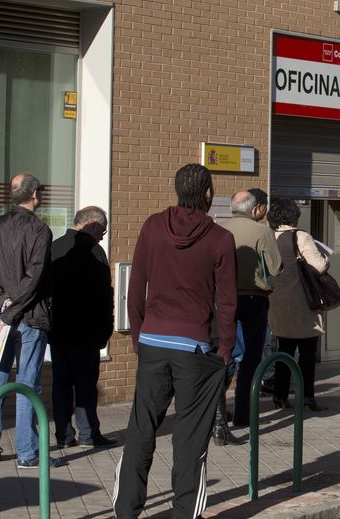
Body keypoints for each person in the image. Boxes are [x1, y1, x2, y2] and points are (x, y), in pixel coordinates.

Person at [113, 164, 237, 519]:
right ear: (208, 194)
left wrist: (139, 338)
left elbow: (135, 288)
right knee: (190, 438)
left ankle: (126, 511)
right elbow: (227, 302)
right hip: (194, 349)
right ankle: (184, 513)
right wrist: (225, 350)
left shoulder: (153, 226)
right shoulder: (220, 239)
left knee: (141, 430)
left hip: (152, 341)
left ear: (177, 189)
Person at [0, 173, 55, 469]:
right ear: (35, 194)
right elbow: (35, 280)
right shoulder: (39, 230)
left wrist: (1, 304)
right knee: (27, 385)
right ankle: (27, 453)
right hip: (28, 318)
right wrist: (12, 309)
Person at [49, 206, 116, 449]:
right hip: (86, 333)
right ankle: (89, 434)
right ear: (93, 225)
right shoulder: (95, 251)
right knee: (86, 385)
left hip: (58, 331)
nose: (102, 236)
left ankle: (63, 435)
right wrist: (105, 331)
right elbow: (103, 296)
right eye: (103, 231)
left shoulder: (55, 248)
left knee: (61, 386)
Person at [219, 188, 282, 435]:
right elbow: (276, 268)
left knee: (224, 354)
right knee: (250, 359)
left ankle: (217, 412)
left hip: (223, 301)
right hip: (254, 299)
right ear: (256, 209)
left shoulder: (218, 229)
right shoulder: (262, 230)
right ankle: (243, 415)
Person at [267, 199, 329, 412]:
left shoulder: (269, 237)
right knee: (307, 354)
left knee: (283, 352)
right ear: (293, 215)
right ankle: (307, 397)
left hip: (276, 302)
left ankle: (280, 396)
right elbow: (319, 266)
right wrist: (326, 259)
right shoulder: (300, 236)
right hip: (302, 304)